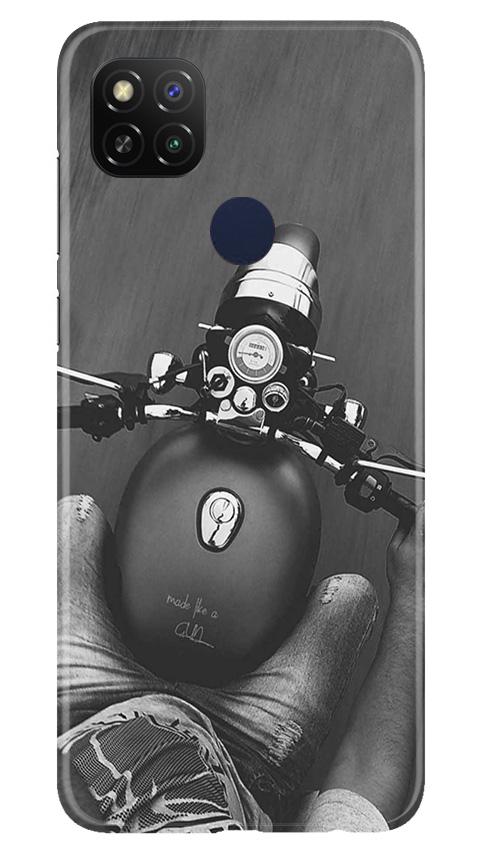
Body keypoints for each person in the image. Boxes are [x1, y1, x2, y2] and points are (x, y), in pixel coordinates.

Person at [57, 494, 423, 832]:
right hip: (240, 759)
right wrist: (414, 593)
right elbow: (361, 789)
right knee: (350, 596)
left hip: (87, 713)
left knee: (75, 517)